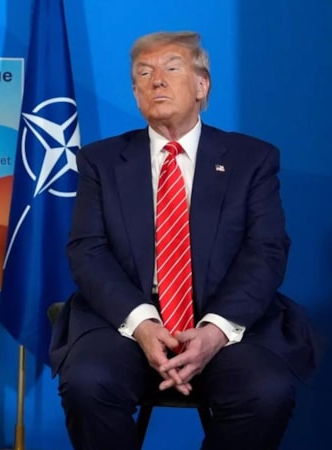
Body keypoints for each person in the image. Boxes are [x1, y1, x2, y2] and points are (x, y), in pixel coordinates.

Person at [49, 31, 317, 449]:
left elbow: (265, 251)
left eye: (172, 68)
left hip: (224, 323)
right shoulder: (101, 161)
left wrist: (214, 331)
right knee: (87, 382)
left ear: (202, 85)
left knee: (266, 392)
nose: (157, 80)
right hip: (128, 323)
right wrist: (142, 324)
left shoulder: (252, 159)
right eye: (144, 73)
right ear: (135, 93)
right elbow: (88, 250)